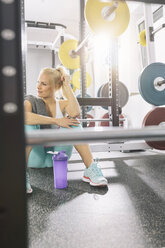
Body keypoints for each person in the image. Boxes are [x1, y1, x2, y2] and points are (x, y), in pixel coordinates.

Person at [24, 67, 108, 193]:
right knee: (28, 125)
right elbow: (24, 117)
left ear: (56, 86)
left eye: (44, 84)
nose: (38, 87)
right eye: (38, 82)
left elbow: (75, 112)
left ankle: (90, 169)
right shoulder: (30, 101)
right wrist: (57, 121)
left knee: (73, 123)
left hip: (58, 157)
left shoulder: (61, 104)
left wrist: (66, 85)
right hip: (36, 157)